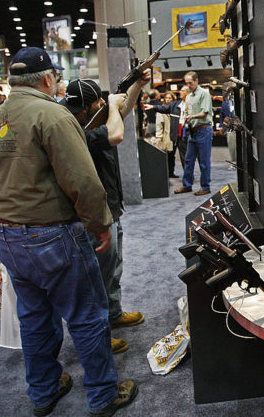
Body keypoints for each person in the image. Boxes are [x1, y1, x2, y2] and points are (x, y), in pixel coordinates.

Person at [0, 47, 136, 417]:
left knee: (34, 317)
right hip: (51, 234)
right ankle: (102, 394)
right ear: (48, 78)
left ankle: (44, 391)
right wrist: (99, 224)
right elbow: (82, 180)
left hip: (5, 234)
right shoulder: (52, 115)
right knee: (86, 315)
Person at [60, 77, 148, 353]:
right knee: (93, 277)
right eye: (99, 101)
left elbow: (121, 113)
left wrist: (137, 85)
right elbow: (116, 133)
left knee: (112, 266)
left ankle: (113, 313)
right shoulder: (72, 129)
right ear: (87, 108)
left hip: (109, 206)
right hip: (91, 214)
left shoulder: (89, 118)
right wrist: (111, 103)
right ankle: (98, 335)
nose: (103, 105)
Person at [175, 71, 213, 196]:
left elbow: (205, 112)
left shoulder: (204, 93)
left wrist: (191, 117)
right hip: (193, 131)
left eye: (190, 83)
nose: (188, 85)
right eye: (186, 83)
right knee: (188, 160)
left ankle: (205, 187)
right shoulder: (189, 96)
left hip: (204, 130)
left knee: (204, 161)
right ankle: (187, 185)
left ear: (197, 81)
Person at [144, 89, 185, 178]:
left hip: (177, 134)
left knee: (175, 155)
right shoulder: (163, 110)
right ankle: (167, 173)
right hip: (166, 136)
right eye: (166, 98)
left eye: (170, 98)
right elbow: (159, 125)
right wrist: (159, 137)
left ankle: (172, 172)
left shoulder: (176, 108)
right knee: (168, 155)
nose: (168, 99)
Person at [219, 83, 237, 164]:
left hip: (240, 126)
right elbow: (222, 115)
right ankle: (234, 162)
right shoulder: (225, 103)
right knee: (232, 145)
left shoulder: (242, 100)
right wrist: (221, 126)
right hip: (230, 127)